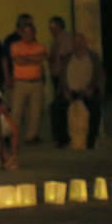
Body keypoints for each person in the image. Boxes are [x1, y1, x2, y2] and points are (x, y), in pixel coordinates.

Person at [59, 33, 103, 149]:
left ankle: (91, 139)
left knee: (95, 108)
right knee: (56, 107)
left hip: (87, 90)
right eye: (76, 42)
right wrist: (65, 90)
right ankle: (63, 139)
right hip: (71, 91)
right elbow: (62, 76)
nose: (78, 45)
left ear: (85, 43)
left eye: (80, 42)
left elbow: (98, 75)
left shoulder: (93, 57)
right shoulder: (67, 58)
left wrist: (92, 88)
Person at [9, 23, 46, 144]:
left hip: (36, 82)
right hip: (20, 83)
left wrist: (26, 58)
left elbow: (40, 59)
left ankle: (32, 136)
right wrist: (33, 58)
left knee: (35, 111)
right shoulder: (15, 46)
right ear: (21, 33)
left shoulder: (40, 46)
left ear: (34, 33)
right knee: (16, 111)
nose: (28, 35)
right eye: (25, 32)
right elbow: (18, 61)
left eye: (30, 32)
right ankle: (13, 135)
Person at [48, 16, 73, 148]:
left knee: (59, 107)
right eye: (50, 28)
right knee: (59, 106)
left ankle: (62, 138)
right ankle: (61, 137)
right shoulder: (56, 40)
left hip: (63, 78)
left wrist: (63, 83)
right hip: (58, 77)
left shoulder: (65, 39)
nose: (51, 30)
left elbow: (65, 60)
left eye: (53, 27)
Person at [1, 13, 33, 98]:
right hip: (14, 78)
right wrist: (7, 77)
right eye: (28, 24)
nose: (30, 26)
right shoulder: (11, 39)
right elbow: (4, 59)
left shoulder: (32, 39)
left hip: (29, 78)